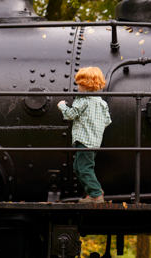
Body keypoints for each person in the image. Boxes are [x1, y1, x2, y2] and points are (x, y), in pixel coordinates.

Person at [58, 67, 112, 204]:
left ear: (85, 84)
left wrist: (62, 106)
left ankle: (96, 194)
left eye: (79, 83)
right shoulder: (102, 103)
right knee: (78, 167)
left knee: (84, 168)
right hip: (94, 141)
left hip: (84, 140)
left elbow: (70, 115)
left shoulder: (82, 100)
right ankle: (92, 192)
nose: (77, 86)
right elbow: (107, 121)